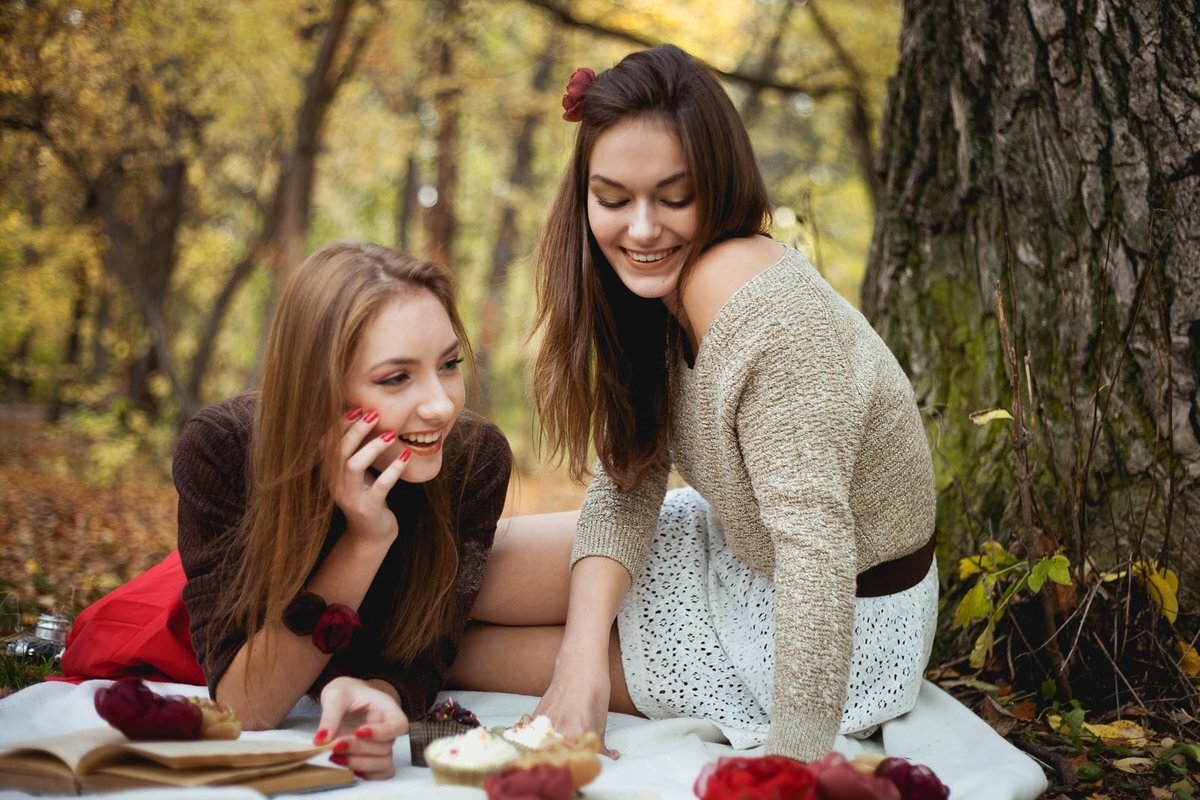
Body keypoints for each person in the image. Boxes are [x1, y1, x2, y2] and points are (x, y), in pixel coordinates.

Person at [457, 45, 939, 763]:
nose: (642, 229)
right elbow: (629, 482)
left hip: (832, 625)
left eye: (673, 197)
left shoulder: (765, 313)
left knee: (455, 651)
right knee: (438, 575)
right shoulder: (652, 293)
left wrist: (793, 764)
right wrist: (580, 658)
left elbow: (817, 550)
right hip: (732, 548)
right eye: (613, 199)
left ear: (718, 185)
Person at [173, 242, 514, 780]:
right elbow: (246, 706)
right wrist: (364, 539)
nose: (443, 405)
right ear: (320, 385)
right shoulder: (223, 450)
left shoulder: (474, 459)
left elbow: (425, 659)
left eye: (449, 364)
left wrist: (379, 696)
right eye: (396, 378)